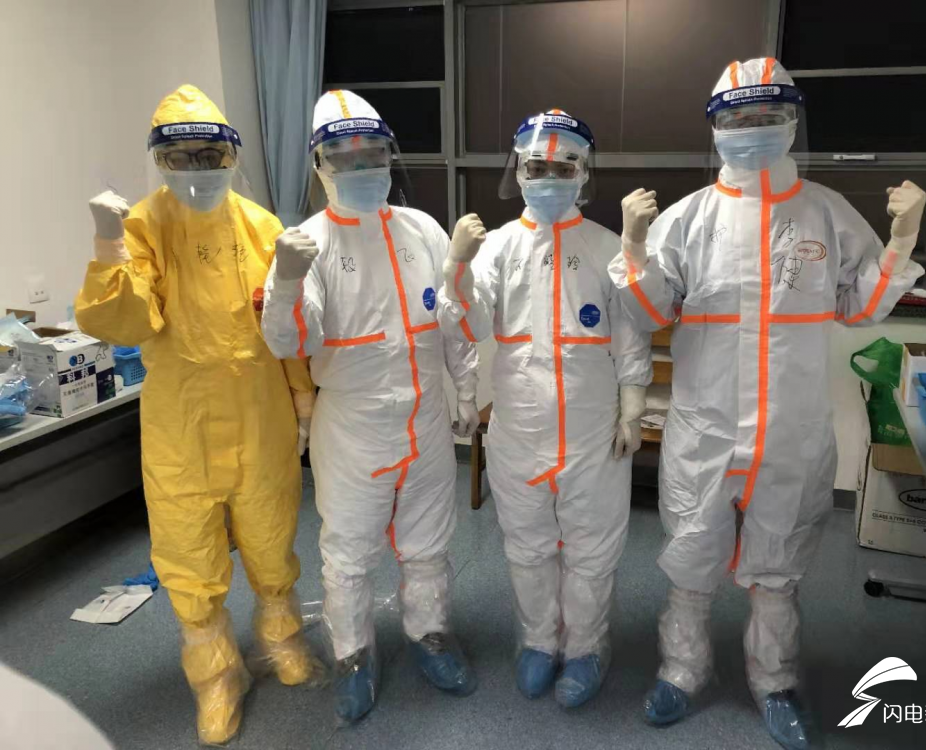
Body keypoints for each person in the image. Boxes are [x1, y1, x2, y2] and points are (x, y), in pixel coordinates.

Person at [609, 58, 926, 749]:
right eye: (739, 118)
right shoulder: (689, 218)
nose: (753, 129)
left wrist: (900, 243)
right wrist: (633, 249)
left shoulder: (826, 212)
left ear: (792, 121)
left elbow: (861, 307)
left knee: (777, 573)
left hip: (791, 430)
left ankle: (774, 682)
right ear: (715, 128)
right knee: (691, 562)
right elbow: (649, 310)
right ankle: (681, 671)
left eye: (768, 116)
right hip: (706, 431)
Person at [75, 84, 318, 746]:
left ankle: (282, 638)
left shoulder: (261, 226)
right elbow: (126, 323)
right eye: (180, 158)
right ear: (160, 161)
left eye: (210, 156)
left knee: (271, 532)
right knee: (188, 549)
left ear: (230, 156)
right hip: (181, 421)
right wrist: (107, 248)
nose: (197, 169)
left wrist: (302, 395)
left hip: (260, 411)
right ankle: (215, 679)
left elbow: (285, 325)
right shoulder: (142, 227)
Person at [260, 89, 481, 724]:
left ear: (389, 155)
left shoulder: (422, 229)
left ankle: (430, 635)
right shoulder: (308, 243)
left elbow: (450, 319)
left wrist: (466, 388)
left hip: (425, 416)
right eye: (344, 156)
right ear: (320, 165)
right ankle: (353, 658)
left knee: (428, 542)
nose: (361, 167)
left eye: (373, 154)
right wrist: (286, 281)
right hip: (353, 424)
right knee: (350, 552)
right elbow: (290, 341)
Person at [438, 111, 652, 708]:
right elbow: (469, 324)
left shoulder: (607, 247)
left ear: (583, 172)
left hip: (592, 434)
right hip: (520, 432)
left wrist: (632, 408)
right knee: (528, 545)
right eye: (537, 167)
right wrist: (457, 266)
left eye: (564, 167)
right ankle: (537, 641)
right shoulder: (498, 247)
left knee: (592, 548)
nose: (550, 178)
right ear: (519, 171)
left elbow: (630, 334)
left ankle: (585, 649)